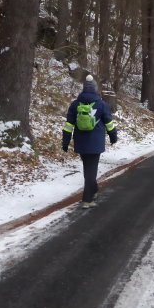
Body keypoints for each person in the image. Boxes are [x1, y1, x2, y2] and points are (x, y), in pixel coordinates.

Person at [62, 74, 118, 208]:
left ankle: (94, 190)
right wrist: (113, 136)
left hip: (81, 142)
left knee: (88, 168)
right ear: (95, 89)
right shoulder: (101, 104)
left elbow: (69, 125)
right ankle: (87, 200)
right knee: (91, 170)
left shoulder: (75, 104)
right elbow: (109, 123)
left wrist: (65, 141)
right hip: (96, 142)